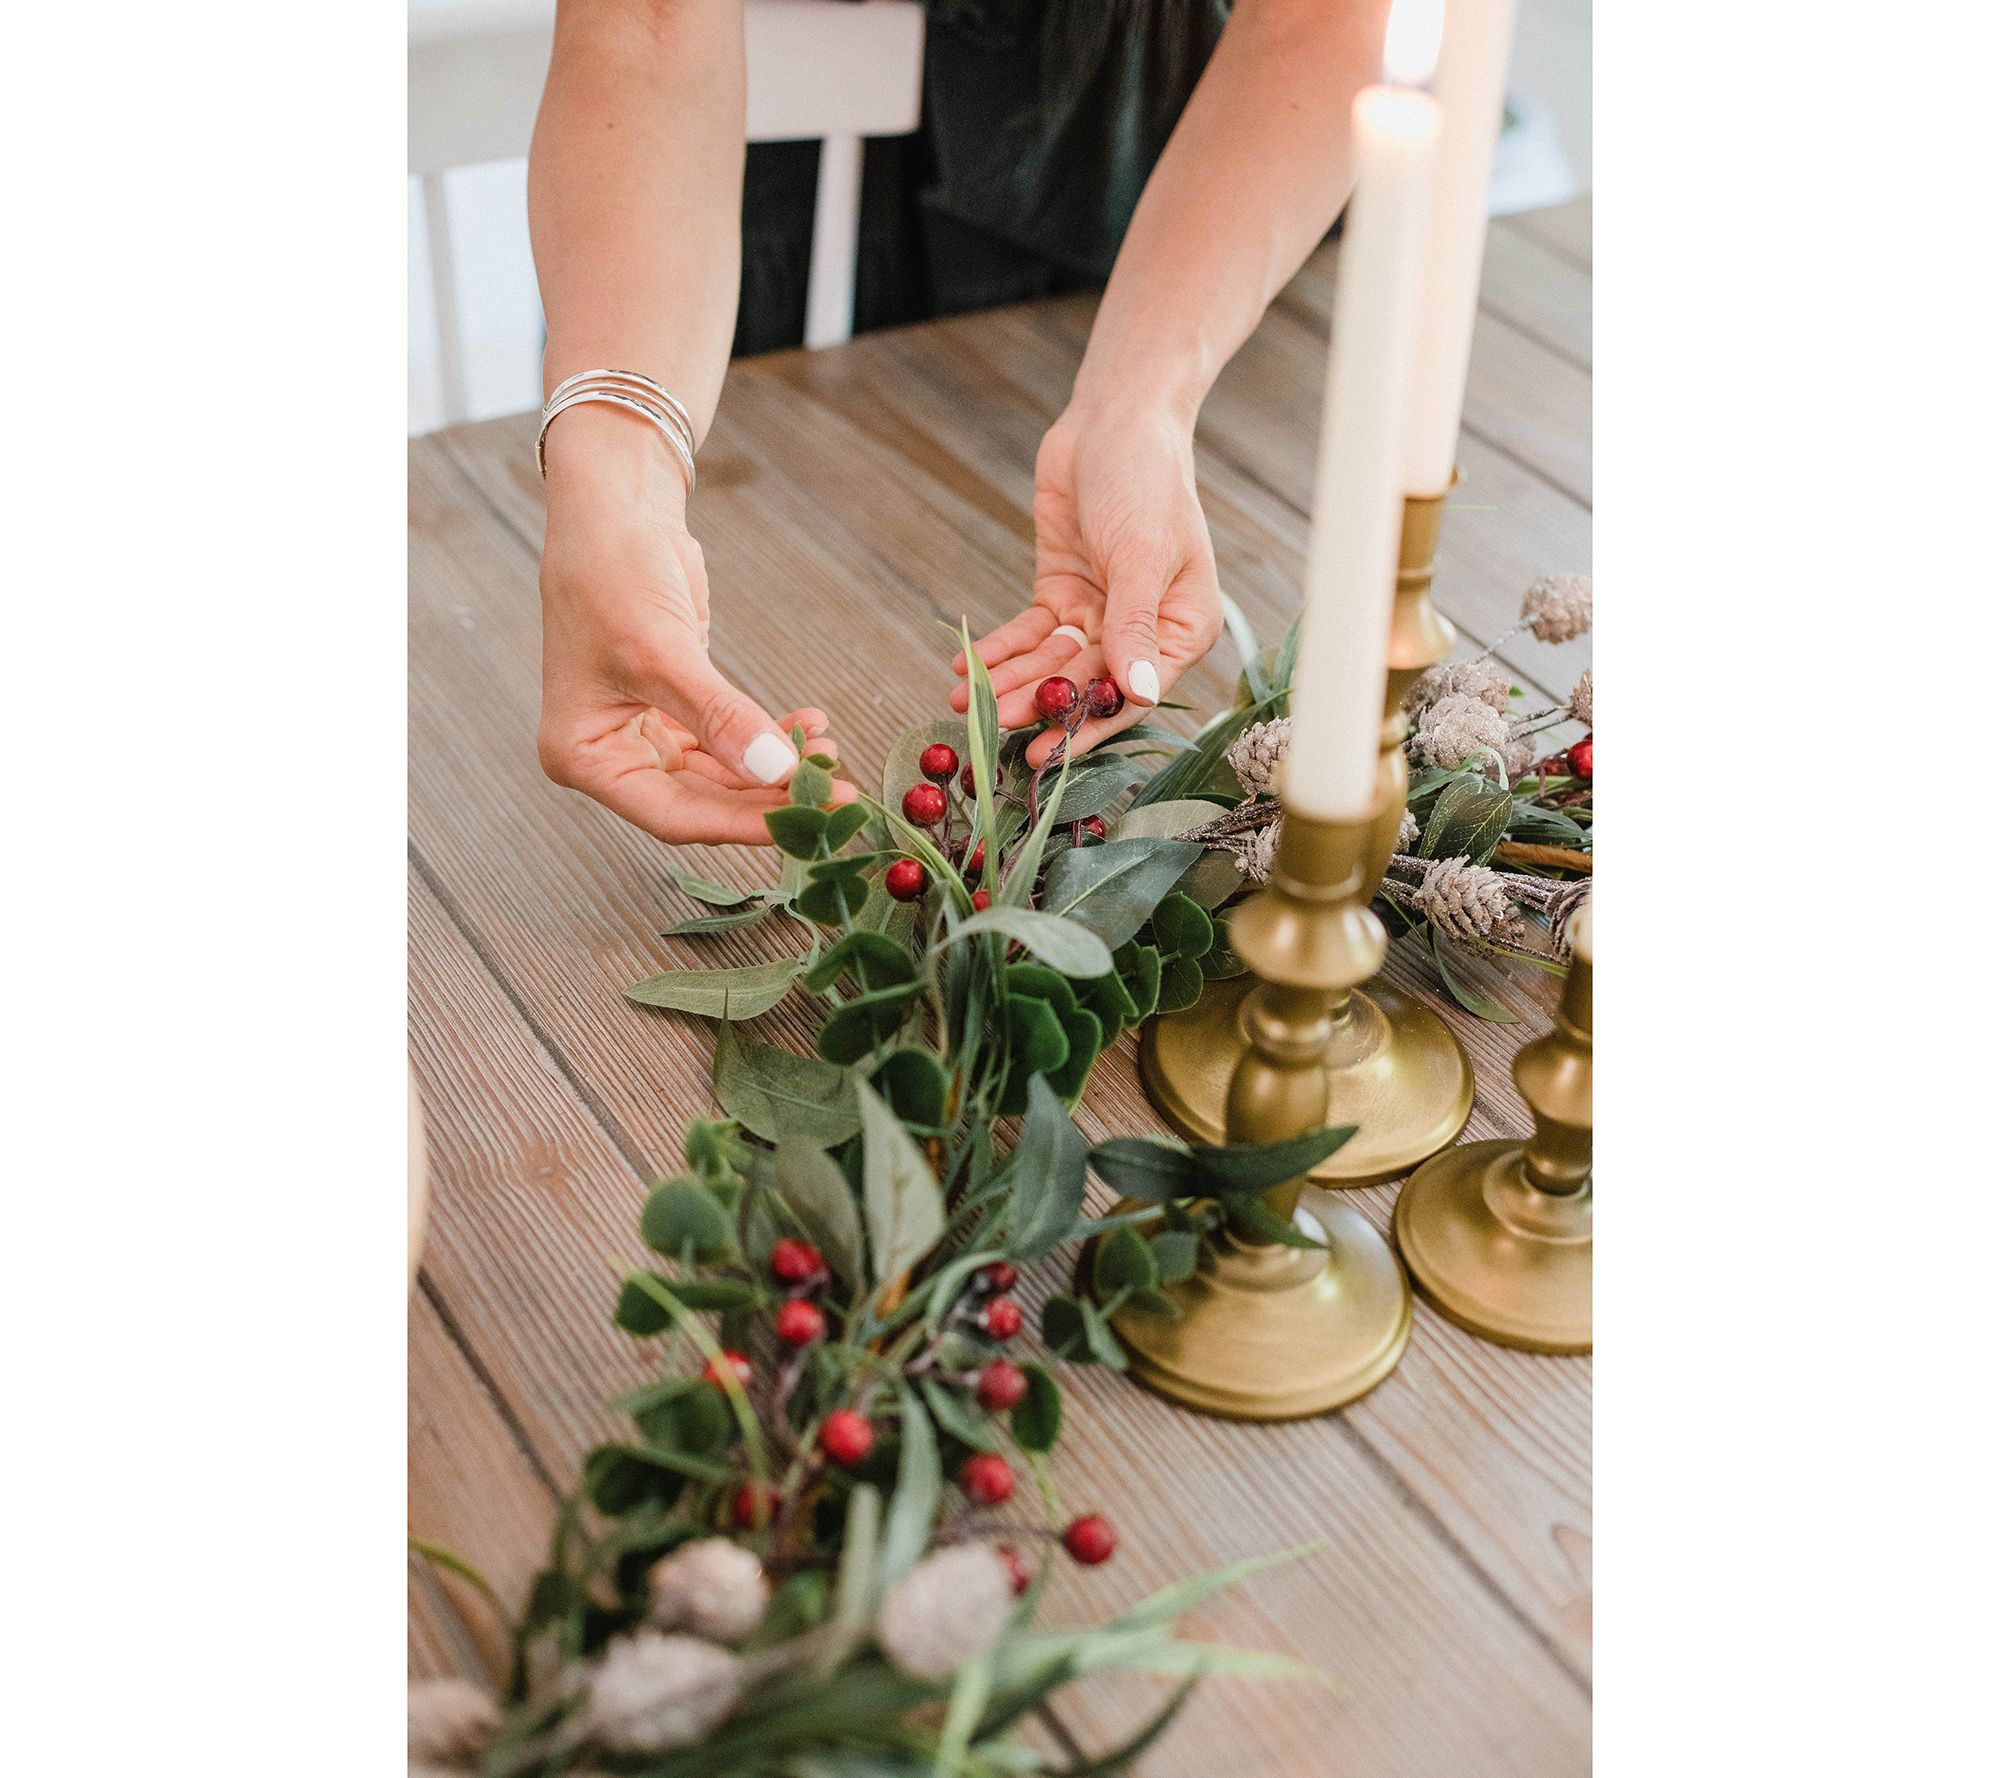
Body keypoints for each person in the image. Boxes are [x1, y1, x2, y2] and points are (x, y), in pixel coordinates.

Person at [529, 0, 1391, 844]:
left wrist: (1138, 410)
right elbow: (647, 18)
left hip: (1177, 200)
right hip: (717, 218)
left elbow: (1316, 17)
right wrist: (616, 498)